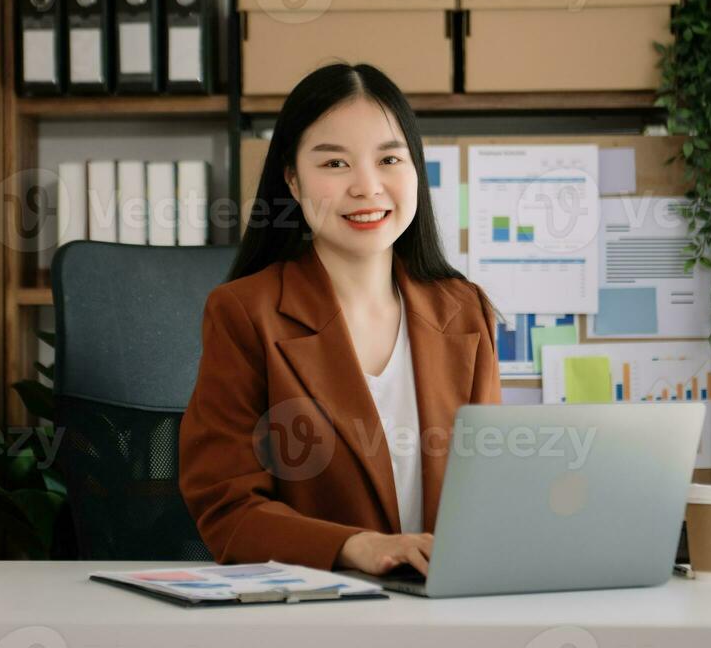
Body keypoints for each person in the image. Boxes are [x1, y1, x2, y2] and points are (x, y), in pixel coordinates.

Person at [178, 63, 501, 578]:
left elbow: (493, 493)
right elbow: (227, 508)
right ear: (292, 179)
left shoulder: (465, 310)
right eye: (334, 165)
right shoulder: (245, 314)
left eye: (389, 159)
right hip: (314, 619)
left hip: (447, 611)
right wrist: (356, 546)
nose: (367, 187)